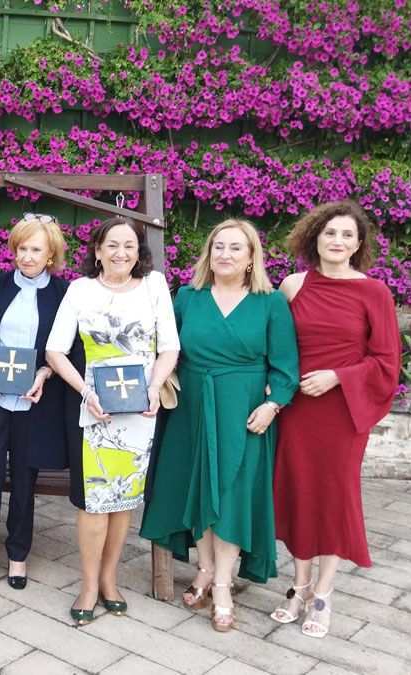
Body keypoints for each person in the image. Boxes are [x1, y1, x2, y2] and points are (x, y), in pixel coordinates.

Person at [139, 219, 298, 633]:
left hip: (244, 412)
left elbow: (286, 365)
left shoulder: (270, 302)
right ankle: (205, 570)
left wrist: (273, 404)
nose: (225, 254)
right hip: (191, 407)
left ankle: (223, 585)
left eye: (236, 248)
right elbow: (161, 347)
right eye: (219, 246)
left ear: (251, 259)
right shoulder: (188, 298)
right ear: (209, 252)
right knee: (198, 492)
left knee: (230, 496)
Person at [271, 201, 401, 638]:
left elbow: (386, 360)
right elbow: (275, 347)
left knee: (335, 495)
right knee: (298, 491)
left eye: (347, 235)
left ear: (359, 244)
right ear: (315, 237)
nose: (338, 241)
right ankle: (299, 583)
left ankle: (324, 593)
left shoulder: (374, 292)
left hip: (342, 412)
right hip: (298, 409)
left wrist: (338, 377)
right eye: (330, 233)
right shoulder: (292, 285)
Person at [45, 217, 179, 626]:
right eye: (112, 244)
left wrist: (155, 388)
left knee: (123, 497)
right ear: (98, 249)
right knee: (94, 501)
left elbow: (170, 346)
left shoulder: (155, 285)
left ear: (140, 252)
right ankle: (87, 584)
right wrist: (86, 392)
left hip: (141, 410)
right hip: (94, 408)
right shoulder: (80, 290)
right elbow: (55, 351)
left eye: (130, 245)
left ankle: (109, 579)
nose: (121, 252)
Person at [0, 214, 79, 590]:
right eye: (22, 248)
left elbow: (69, 346)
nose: (27, 257)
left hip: (35, 399)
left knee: (26, 482)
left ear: (51, 254)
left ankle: (18, 556)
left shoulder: (64, 294)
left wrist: (45, 374)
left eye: (36, 250)